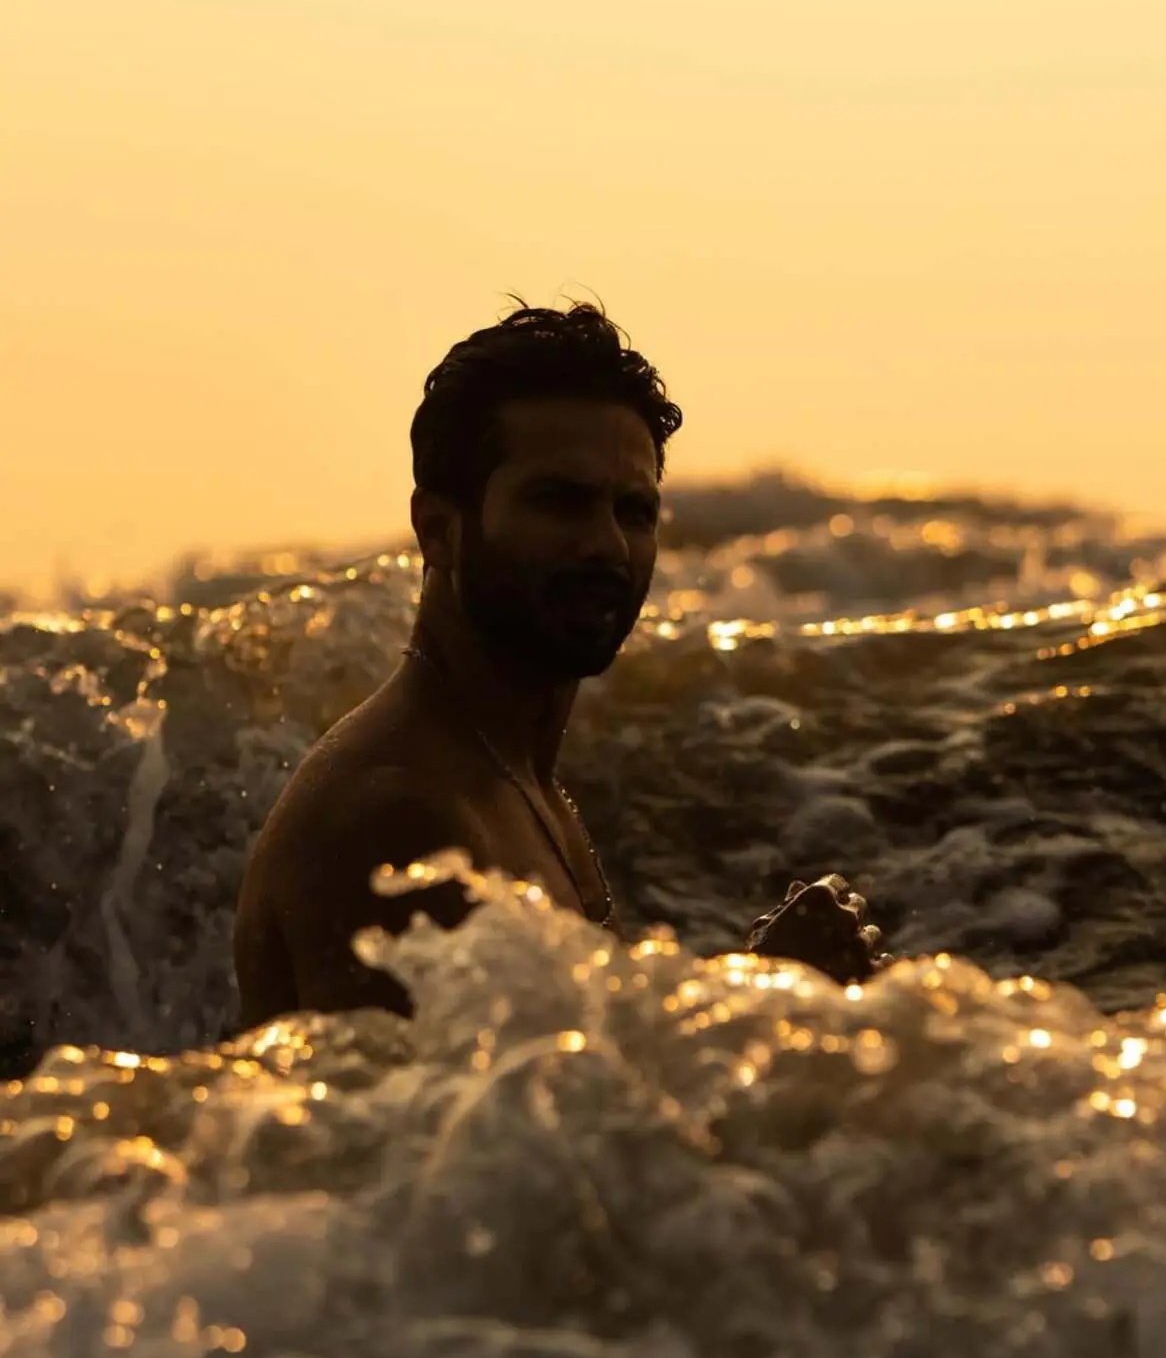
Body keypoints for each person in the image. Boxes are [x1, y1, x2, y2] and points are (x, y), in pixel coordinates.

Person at [233, 299, 879, 1033]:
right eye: (559, 502)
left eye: (634, 510)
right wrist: (767, 1002)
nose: (606, 545)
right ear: (439, 530)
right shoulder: (398, 821)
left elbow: (558, 1090)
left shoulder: (512, 779)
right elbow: (441, 1138)